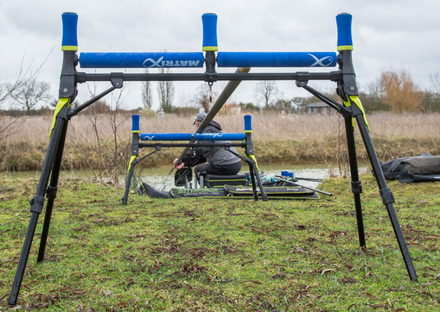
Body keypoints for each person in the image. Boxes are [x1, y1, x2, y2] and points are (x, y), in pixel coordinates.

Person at [173, 112, 242, 178]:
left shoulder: (207, 131)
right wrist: (185, 163)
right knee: (205, 166)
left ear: (197, 122)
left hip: (226, 165)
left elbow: (199, 150)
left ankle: (205, 189)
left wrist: (182, 159)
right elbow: (202, 157)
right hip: (237, 164)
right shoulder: (214, 130)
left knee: (198, 170)